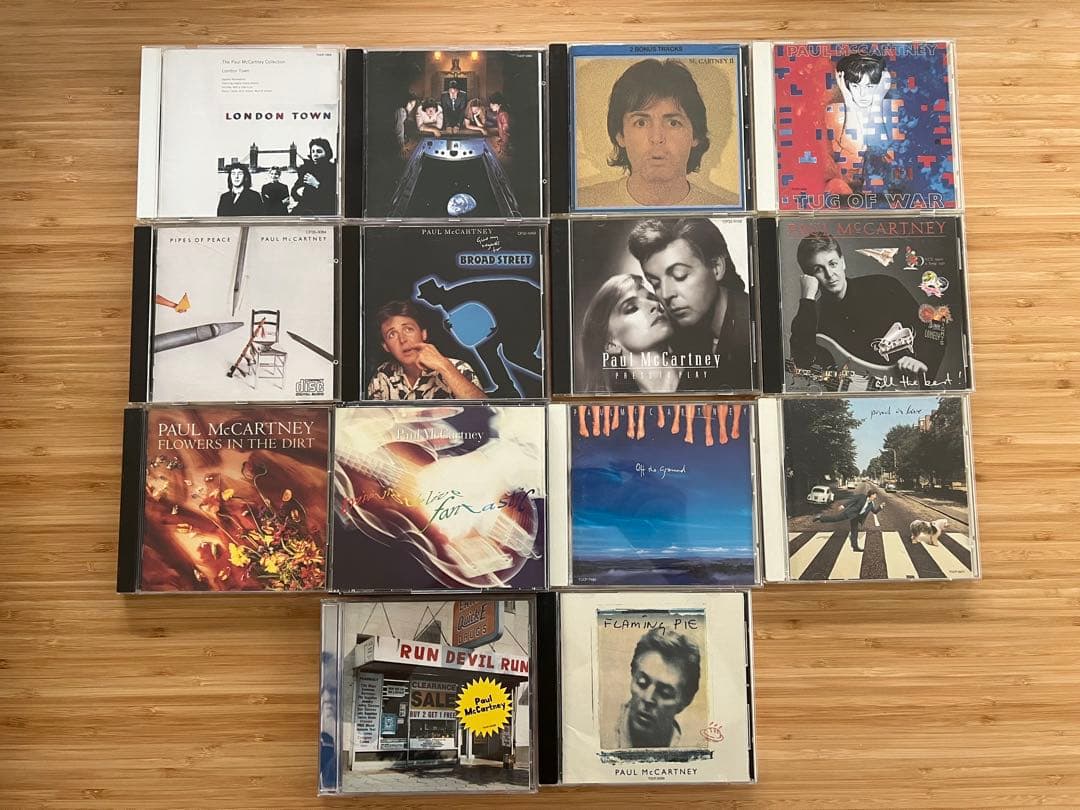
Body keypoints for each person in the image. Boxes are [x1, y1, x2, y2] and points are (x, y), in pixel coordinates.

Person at [578, 59, 738, 208]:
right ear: (620, 135)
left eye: (673, 123)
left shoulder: (727, 210)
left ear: (695, 135)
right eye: (641, 123)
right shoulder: (583, 204)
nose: (656, 138)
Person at [789, 233, 944, 383]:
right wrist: (807, 298)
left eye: (833, 264)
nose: (830, 274)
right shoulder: (811, 316)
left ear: (843, 262)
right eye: (818, 269)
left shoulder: (884, 286)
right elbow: (802, 365)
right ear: (809, 277)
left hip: (904, 390)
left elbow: (934, 329)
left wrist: (921, 361)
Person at [627, 218, 753, 391]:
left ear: (716, 267)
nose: (666, 294)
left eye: (680, 275)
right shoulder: (683, 339)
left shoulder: (754, 333)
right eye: (655, 283)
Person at [578, 273, 680, 394]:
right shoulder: (613, 404)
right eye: (632, 308)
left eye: (652, 298)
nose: (655, 305)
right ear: (611, 344)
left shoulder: (699, 380)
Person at [366, 301, 488, 400]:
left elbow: (486, 413)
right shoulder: (382, 375)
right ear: (386, 346)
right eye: (392, 334)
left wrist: (444, 366)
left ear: (423, 334)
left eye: (408, 329)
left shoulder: (459, 368)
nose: (402, 340)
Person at [614, 627, 701, 749]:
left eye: (665, 693)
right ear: (633, 676)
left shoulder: (695, 748)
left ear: (684, 702)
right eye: (642, 683)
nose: (648, 698)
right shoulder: (601, 735)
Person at [824, 53, 895, 197]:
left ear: (881, 85)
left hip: (882, 188)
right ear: (846, 84)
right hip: (846, 188)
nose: (862, 94)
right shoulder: (835, 111)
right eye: (856, 86)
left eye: (870, 86)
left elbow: (877, 147)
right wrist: (848, 99)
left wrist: (877, 101)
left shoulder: (891, 108)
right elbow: (852, 146)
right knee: (835, 186)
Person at [814, 488, 884, 552]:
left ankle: (855, 547)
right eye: (875, 495)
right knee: (836, 518)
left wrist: (880, 507)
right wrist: (843, 506)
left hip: (856, 517)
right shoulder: (862, 497)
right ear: (871, 495)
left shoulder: (871, 504)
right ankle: (820, 517)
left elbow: (874, 512)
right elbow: (852, 500)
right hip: (850, 513)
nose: (875, 497)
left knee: (854, 531)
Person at [291, 138, 337, 215]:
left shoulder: (332, 170)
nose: (315, 154)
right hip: (304, 208)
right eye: (313, 151)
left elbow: (332, 195)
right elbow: (294, 191)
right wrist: (298, 192)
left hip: (323, 210)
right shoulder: (306, 169)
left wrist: (316, 184)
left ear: (327, 153)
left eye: (319, 151)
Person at [487, 92, 511, 158]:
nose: (491, 105)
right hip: (504, 145)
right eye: (491, 103)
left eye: (493, 104)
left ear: (500, 104)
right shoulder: (499, 113)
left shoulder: (503, 114)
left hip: (505, 148)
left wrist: (502, 147)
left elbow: (506, 133)